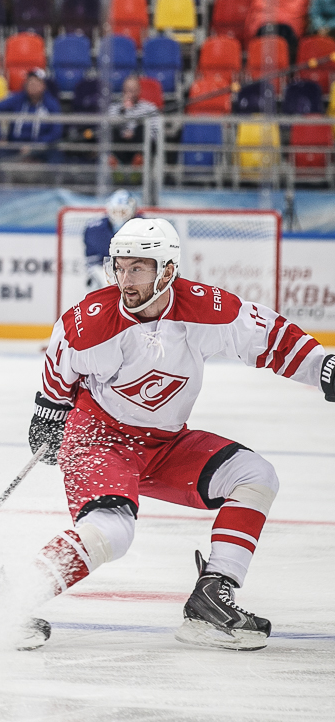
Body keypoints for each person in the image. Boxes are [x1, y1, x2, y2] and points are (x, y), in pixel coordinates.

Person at [17, 217, 335, 651]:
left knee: (254, 475)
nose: (124, 280)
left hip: (165, 443)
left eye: (137, 269)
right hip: (98, 438)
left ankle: (211, 596)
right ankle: (6, 605)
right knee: (112, 531)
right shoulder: (89, 322)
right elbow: (58, 370)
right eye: (120, 267)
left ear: (167, 270)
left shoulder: (206, 309)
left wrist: (322, 367)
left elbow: (269, 337)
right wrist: (48, 413)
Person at [0, 68, 63, 163]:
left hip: (42, 147)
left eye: (37, 82)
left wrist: (35, 146)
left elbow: (56, 132)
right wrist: (0, 137)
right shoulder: (18, 99)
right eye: (30, 82)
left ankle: (55, 178)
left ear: (43, 85)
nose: (33, 85)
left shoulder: (51, 104)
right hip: (15, 145)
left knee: (56, 158)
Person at [82, 189, 138, 291]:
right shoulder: (95, 230)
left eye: (123, 212)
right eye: (115, 211)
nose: (119, 216)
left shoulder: (144, 228)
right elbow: (93, 264)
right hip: (104, 276)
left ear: (132, 211)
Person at [107, 74, 160, 167]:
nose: (130, 93)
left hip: (139, 144)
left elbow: (155, 130)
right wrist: (123, 110)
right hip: (120, 142)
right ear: (123, 91)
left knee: (142, 128)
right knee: (112, 132)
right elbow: (109, 125)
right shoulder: (114, 108)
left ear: (139, 91)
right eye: (127, 90)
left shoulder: (150, 108)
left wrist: (133, 133)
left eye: (133, 90)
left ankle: (138, 163)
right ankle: (117, 166)